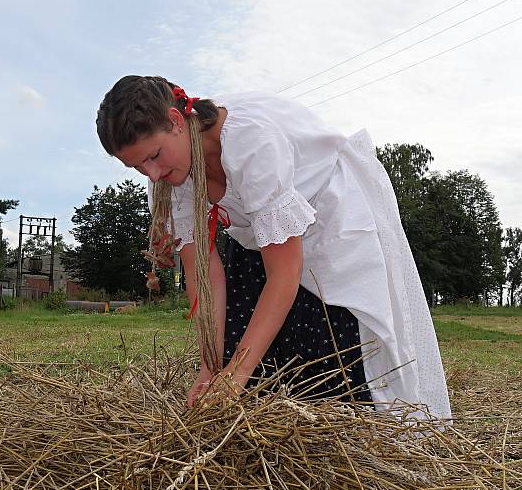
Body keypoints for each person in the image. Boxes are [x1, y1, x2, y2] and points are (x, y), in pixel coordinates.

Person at [96, 75, 451, 420]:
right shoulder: (171, 177)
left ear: (175, 120)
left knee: (327, 356)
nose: (152, 173)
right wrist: (211, 367)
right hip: (259, 237)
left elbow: (284, 274)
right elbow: (204, 278)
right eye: (138, 166)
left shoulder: (249, 141)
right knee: (245, 351)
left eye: (154, 156)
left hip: (328, 218)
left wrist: (235, 377)